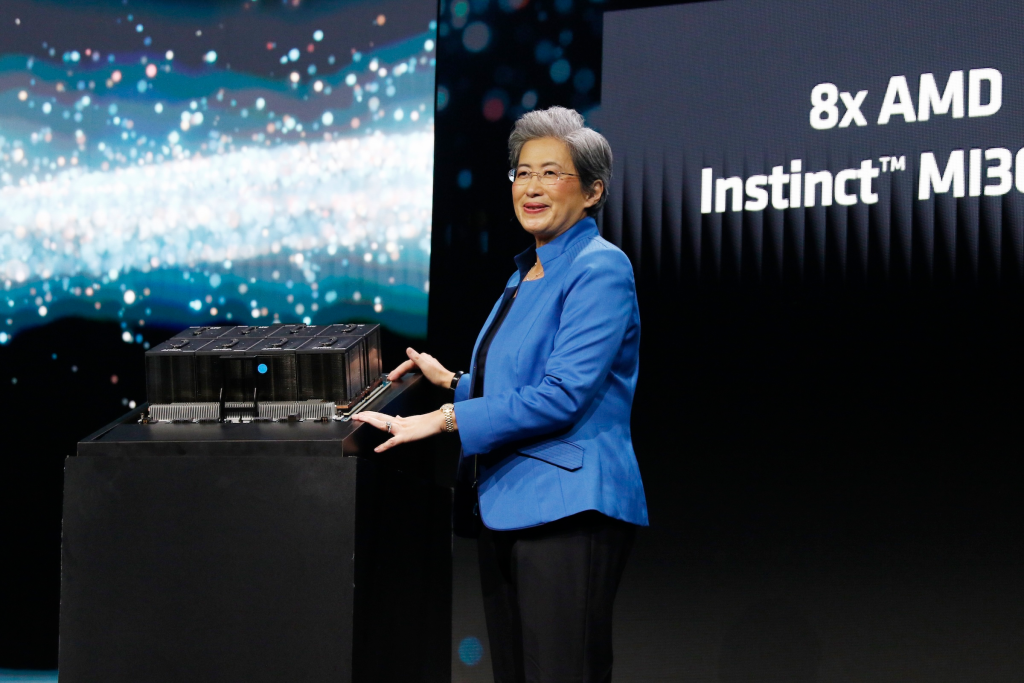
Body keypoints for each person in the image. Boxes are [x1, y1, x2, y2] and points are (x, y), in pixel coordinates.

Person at [354, 106, 648, 683]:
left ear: (593, 192)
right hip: (506, 501)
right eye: (523, 172)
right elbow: (521, 383)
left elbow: (562, 395)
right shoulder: (524, 273)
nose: (531, 187)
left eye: (551, 173)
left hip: (567, 507)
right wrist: (453, 382)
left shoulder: (600, 268)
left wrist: (445, 418)